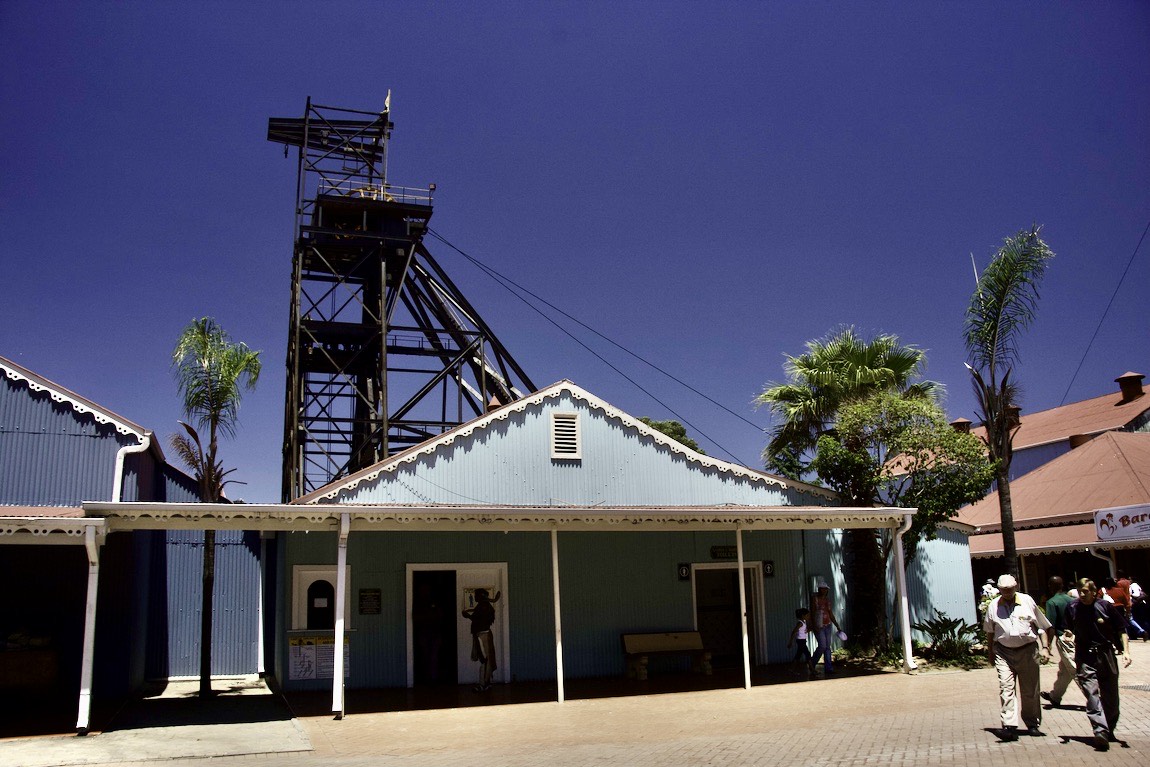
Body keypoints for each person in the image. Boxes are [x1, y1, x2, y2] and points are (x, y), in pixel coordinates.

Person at [983, 573, 1051, 741]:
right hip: (1003, 652)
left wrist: (1045, 647)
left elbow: (1041, 626)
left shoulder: (1027, 601)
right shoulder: (993, 606)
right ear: (999, 589)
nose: (1007, 592)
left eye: (1010, 589)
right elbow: (990, 632)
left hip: (1028, 650)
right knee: (1006, 688)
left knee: (1030, 690)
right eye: (1004, 590)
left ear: (1016, 587)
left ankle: (1032, 723)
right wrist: (991, 652)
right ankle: (1009, 726)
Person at [1067, 578, 1133, 751]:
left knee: (1111, 698)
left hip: (1106, 654)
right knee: (1092, 694)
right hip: (1085, 656)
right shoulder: (1073, 607)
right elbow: (1068, 626)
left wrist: (1126, 652)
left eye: (1086, 591)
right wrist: (1068, 633)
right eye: (1080, 590)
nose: (1082, 594)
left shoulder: (1105, 606)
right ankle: (1100, 731)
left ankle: (1109, 728)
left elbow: (1121, 630)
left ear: (1094, 592)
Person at [1040, 576, 1081, 707]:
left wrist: (1048, 645)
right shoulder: (1072, 600)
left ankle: (1095, 698)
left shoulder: (1052, 602)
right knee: (1064, 671)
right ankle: (1055, 696)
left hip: (1064, 638)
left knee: (1075, 669)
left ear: (1050, 586)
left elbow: (1050, 626)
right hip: (1075, 636)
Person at [461, 588, 500, 691]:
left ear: (481, 596)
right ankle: (487, 682)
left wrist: (468, 616)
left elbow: (479, 620)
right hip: (483, 634)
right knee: (487, 658)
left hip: (483, 635)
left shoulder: (484, 606)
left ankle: (483, 684)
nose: (475, 597)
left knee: (484, 659)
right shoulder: (484, 606)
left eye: (476, 595)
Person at [809, 580, 842, 675]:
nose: (825, 591)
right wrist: (814, 625)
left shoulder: (827, 600)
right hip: (819, 625)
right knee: (822, 646)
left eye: (826, 589)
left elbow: (830, 613)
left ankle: (829, 668)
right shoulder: (815, 599)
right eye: (823, 589)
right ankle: (812, 663)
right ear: (820, 589)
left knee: (827, 647)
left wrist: (837, 625)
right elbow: (812, 612)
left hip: (828, 625)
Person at [1115, 570, 1146, 639]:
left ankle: (1139, 632)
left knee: (1127, 619)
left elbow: (1119, 593)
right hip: (1131, 602)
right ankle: (1135, 633)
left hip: (1124, 602)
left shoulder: (1119, 583)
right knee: (1132, 618)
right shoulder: (1129, 582)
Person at [787, 607, 815, 678]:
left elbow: (803, 631)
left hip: (802, 641)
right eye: (807, 615)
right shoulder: (800, 623)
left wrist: (809, 630)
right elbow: (794, 631)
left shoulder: (803, 622)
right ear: (803, 615)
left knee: (798, 656)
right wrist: (790, 641)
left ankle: (791, 669)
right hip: (800, 641)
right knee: (807, 654)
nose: (808, 617)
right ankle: (812, 670)